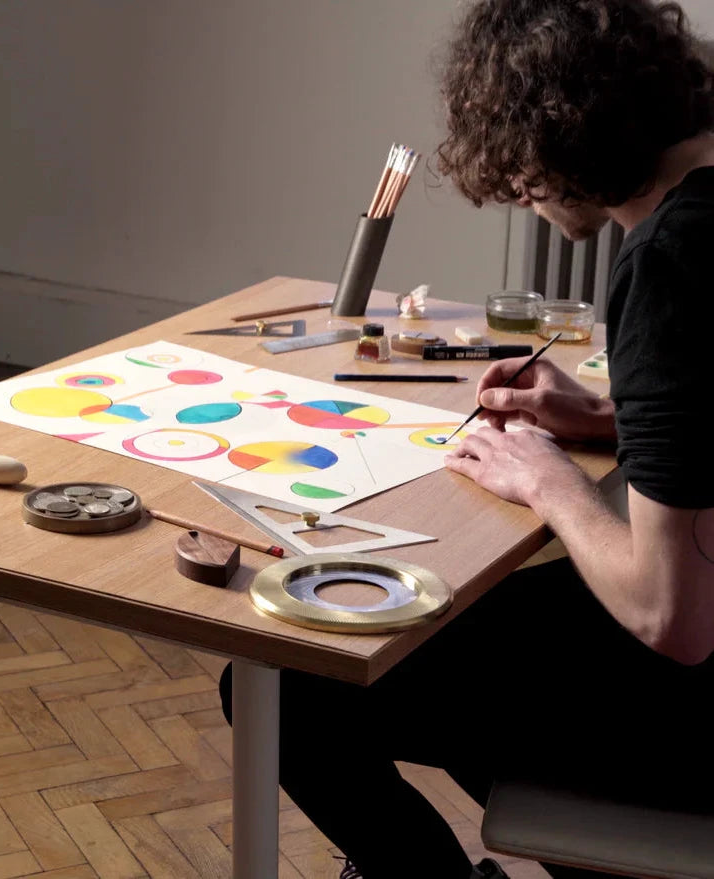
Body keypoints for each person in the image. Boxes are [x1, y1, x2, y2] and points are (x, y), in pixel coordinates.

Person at [220, 1, 714, 876]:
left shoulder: (675, 260)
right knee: (461, 636)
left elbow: (671, 617)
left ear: (567, 130)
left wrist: (547, 479)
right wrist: (608, 418)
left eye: (518, 164)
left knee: (288, 687)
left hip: (693, 704)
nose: (512, 190)